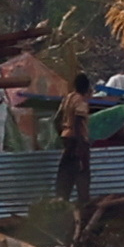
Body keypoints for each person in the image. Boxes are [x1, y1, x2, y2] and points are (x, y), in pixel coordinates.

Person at [54, 72, 93, 205]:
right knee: (83, 171)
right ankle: (84, 203)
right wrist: (80, 145)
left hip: (67, 138)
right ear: (86, 88)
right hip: (78, 140)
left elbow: (56, 119)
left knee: (66, 171)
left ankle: (62, 200)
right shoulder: (81, 101)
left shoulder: (68, 98)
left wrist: (63, 133)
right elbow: (77, 121)